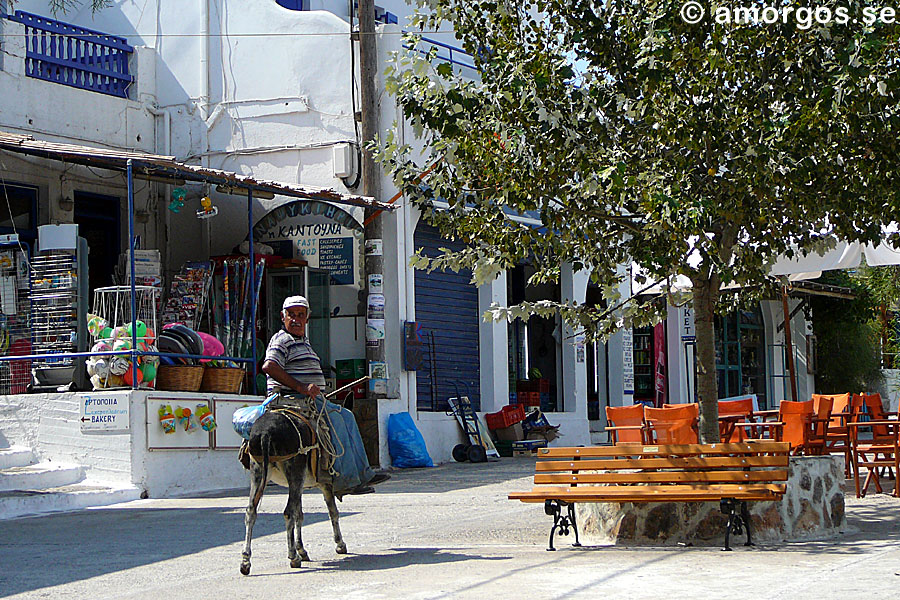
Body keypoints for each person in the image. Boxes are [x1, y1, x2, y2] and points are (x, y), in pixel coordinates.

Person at [261, 295, 389, 498]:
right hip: (290, 399)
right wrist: (301, 386)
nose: (295, 319)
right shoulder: (281, 340)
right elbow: (269, 366)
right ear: (282, 317)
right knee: (337, 420)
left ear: (307, 318)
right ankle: (344, 481)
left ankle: (364, 473)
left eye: (300, 315)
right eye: (291, 315)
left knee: (346, 416)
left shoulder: (303, 342)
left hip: (310, 398)